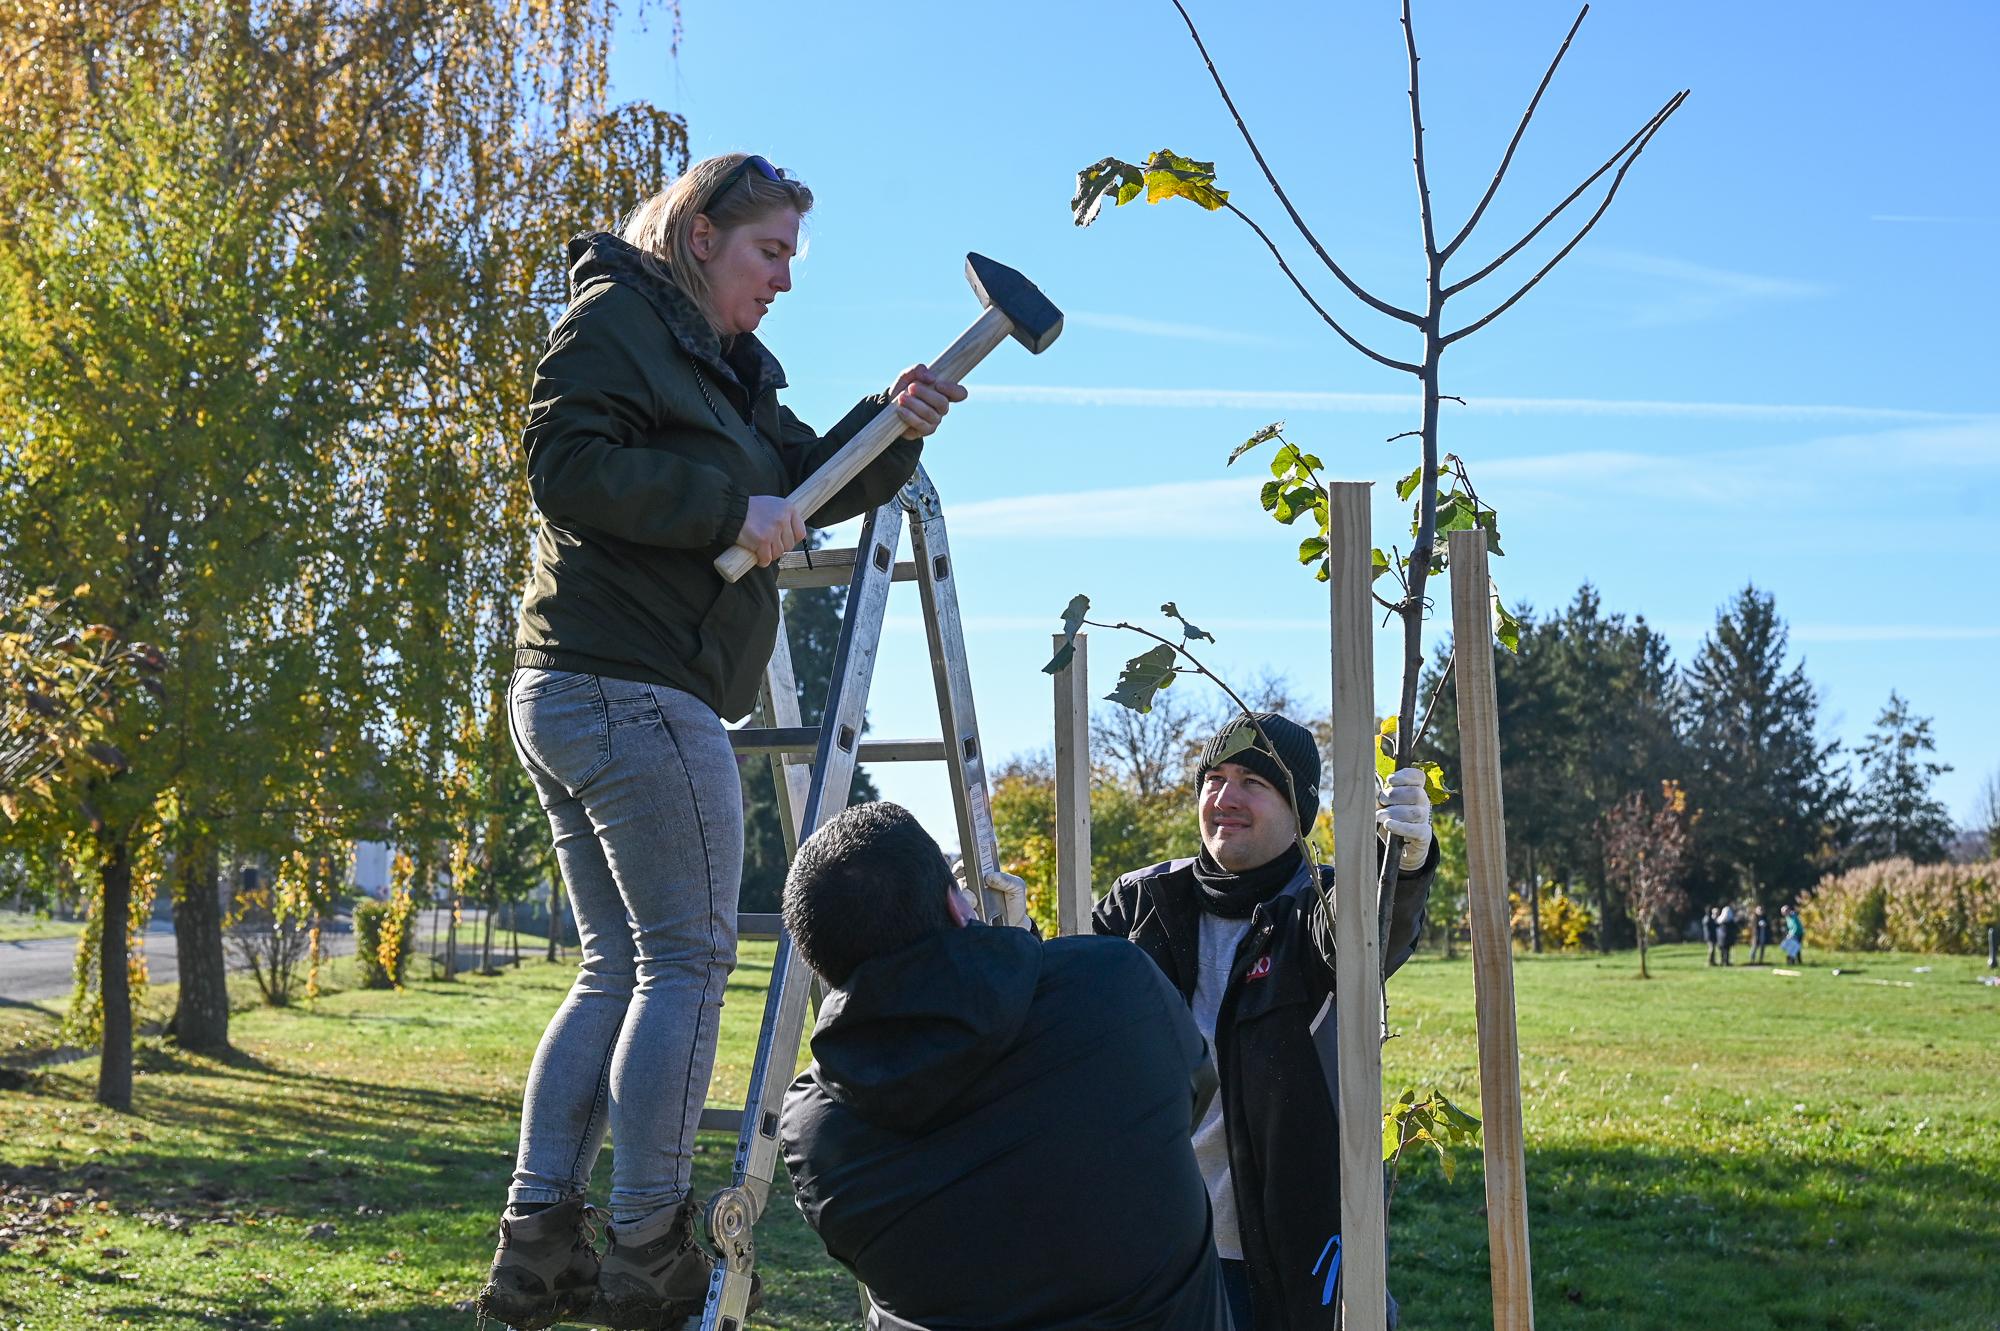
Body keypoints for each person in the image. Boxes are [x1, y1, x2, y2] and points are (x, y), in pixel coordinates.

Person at [477, 152, 967, 1331]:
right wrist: (721, 511)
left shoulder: (719, 370)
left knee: (617, 964)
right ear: (700, 234)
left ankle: (537, 1242)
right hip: (631, 683)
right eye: (771, 252)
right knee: (687, 962)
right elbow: (563, 467)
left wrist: (890, 427)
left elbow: (798, 480)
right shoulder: (617, 322)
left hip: (587, 687)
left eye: (794, 257)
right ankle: (647, 1248)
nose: (785, 280)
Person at [778, 802, 1232, 1331]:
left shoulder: (812, 1129)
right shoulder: (1116, 982)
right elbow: (1196, 1088)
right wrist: (1011, 954)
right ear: (956, 905)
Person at [1093, 712, 1438, 1330]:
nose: (1226, 798)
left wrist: (1402, 867)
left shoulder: (1319, 905)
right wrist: (1006, 941)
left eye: (1254, 781)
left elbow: (1367, 937)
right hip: (1150, 1247)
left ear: (1297, 807)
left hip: (1279, 1255)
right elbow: (1066, 1004)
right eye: (1215, 778)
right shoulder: (1144, 901)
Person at [1718, 902, 1737, 967]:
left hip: (1721, 938)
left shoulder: (1720, 921)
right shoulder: (1731, 922)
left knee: (1722, 951)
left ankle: (1722, 961)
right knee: (1726, 951)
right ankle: (1726, 962)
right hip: (1727, 938)